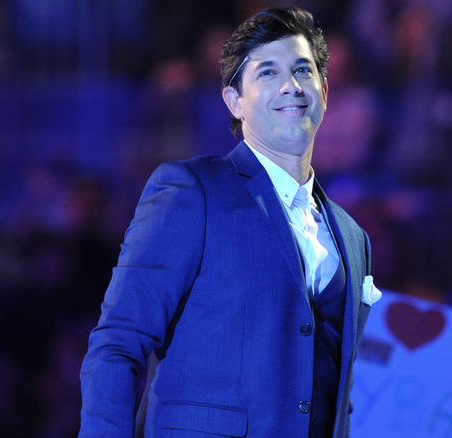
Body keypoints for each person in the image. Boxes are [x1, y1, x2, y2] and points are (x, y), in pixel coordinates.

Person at [79, 6, 381, 438]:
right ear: (234, 101)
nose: (291, 85)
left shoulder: (353, 237)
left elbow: (337, 396)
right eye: (268, 73)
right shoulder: (192, 192)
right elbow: (118, 343)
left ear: (325, 91)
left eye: (302, 70)